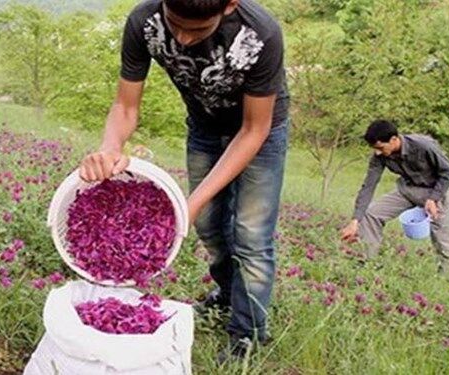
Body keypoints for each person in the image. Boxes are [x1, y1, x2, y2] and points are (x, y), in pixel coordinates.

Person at [78, 0, 290, 364]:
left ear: (229, 6)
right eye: (176, 25)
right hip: (205, 128)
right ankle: (226, 294)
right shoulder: (143, 21)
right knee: (208, 227)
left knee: (250, 234)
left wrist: (189, 204)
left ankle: (247, 333)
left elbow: (254, 129)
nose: (183, 38)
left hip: (260, 132)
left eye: (198, 30)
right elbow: (126, 106)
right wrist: (110, 149)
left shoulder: (261, 34)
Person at [341, 120, 449, 282]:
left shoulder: (424, 146)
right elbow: (368, 186)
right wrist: (355, 220)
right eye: (374, 149)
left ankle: (447, 280)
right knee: (371, 214)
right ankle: (368, 264)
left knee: (443, 238)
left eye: (381, 148)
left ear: (394, 139)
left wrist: (433, 198)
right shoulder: (379, 155)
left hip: (440, 190)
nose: (378, 153)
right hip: (409, 189)